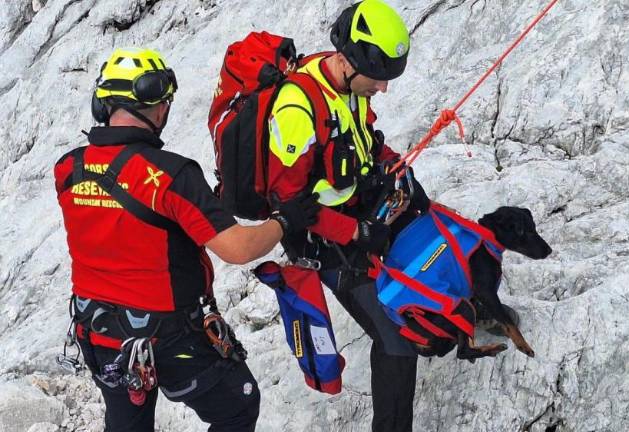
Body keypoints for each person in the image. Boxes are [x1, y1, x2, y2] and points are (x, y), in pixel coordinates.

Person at [54, 47, 320, 432]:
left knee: (128, 423)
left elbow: (121, 222)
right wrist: (284, 220)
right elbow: (238, 248)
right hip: (169, 338)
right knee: (238, 407)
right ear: (157, 106)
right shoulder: (173, 175)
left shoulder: (67, 168)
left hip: (99, 332)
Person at [265, 1, 429, 430]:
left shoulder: (347, 85)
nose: (384, 88)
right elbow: (293, 205)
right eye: (380, 79)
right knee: (395, 341)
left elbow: (365, 141)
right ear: (353, 62)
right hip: (322, 240)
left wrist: (397, 167)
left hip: (357, 213)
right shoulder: (298, 109)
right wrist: (357, 232)